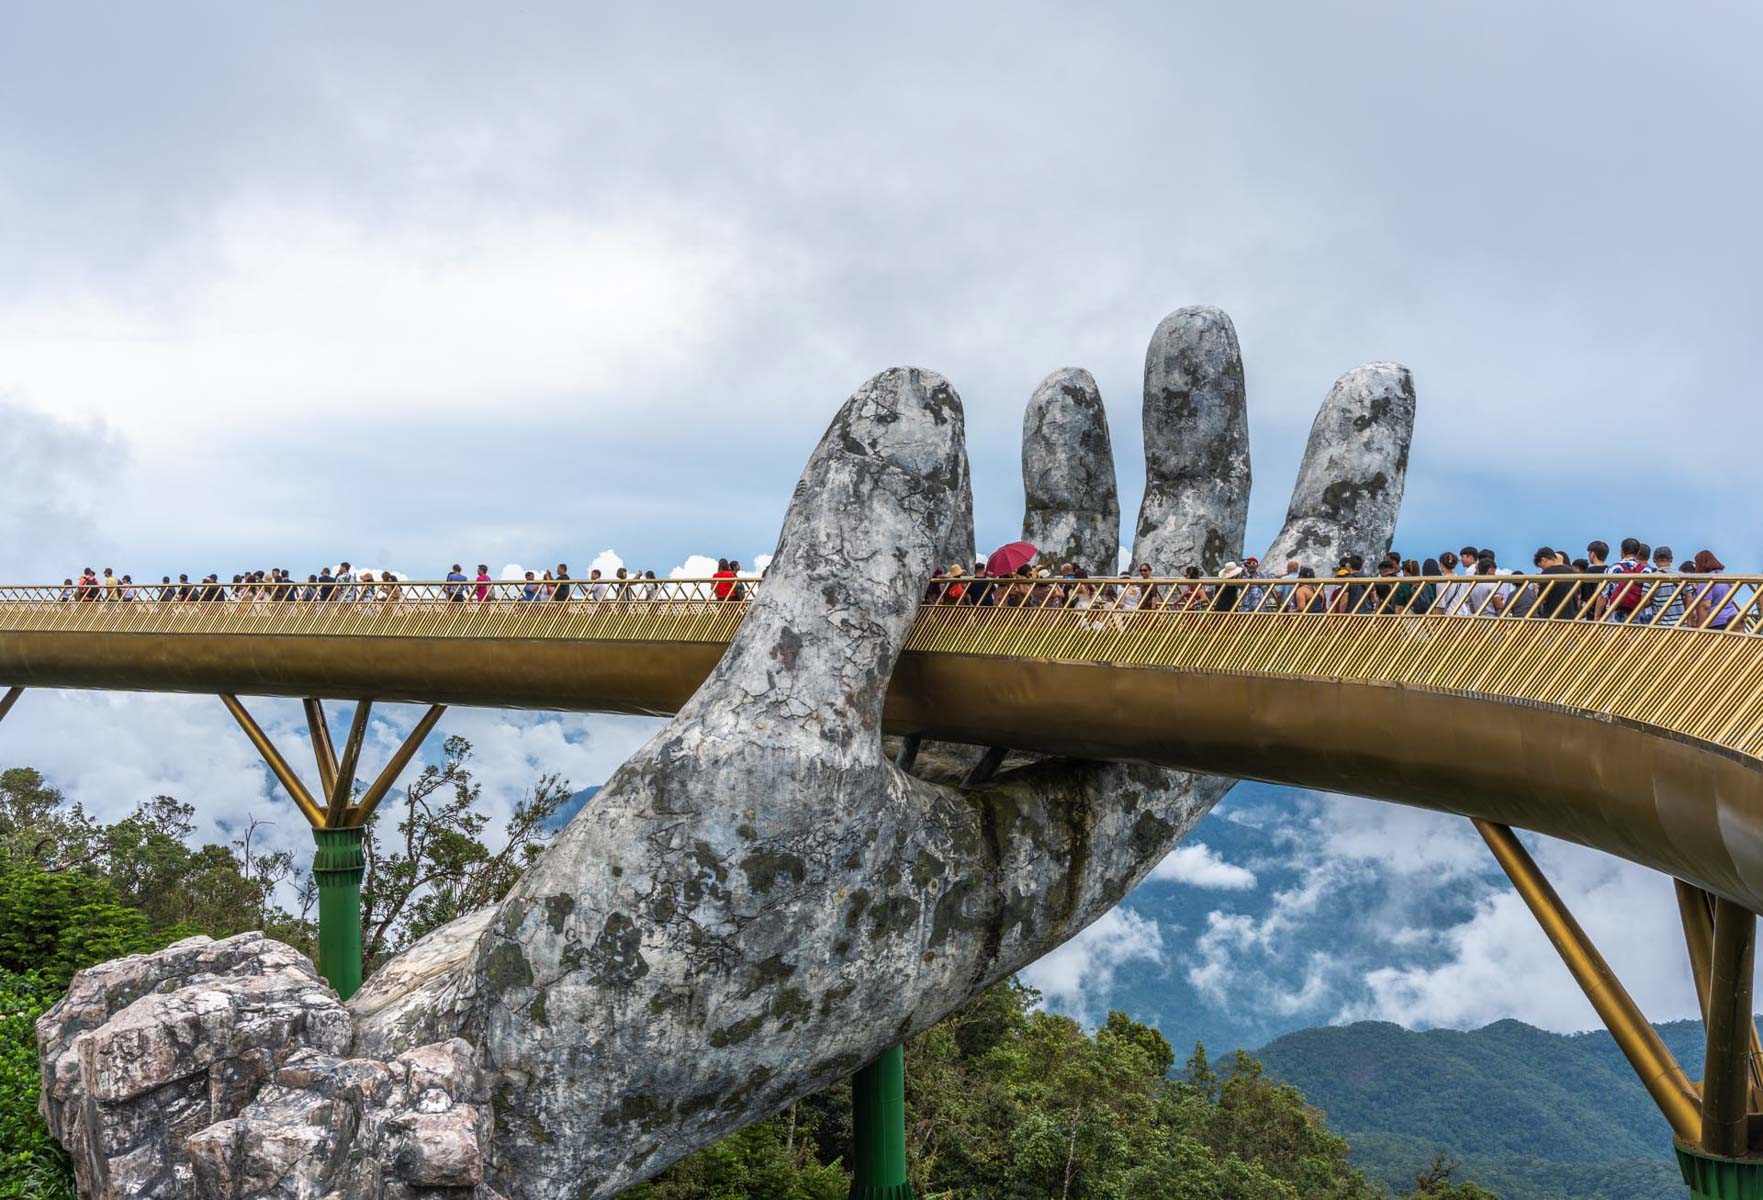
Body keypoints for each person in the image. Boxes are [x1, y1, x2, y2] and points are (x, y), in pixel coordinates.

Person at [1598, 538, 1648, 621]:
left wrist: (1597, 616)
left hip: (1614, 619)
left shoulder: (1611, 569)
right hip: (1637, 620)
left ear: (1622, 550)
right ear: (1638, 552)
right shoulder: (1646, 571)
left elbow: (1603, 596)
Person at [1690, 551, 1741, 630]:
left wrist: (1700, 626)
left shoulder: (1706, 580)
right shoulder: (1723, 577)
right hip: (1733, 618)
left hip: (1716, 622)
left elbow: (1705, 605)